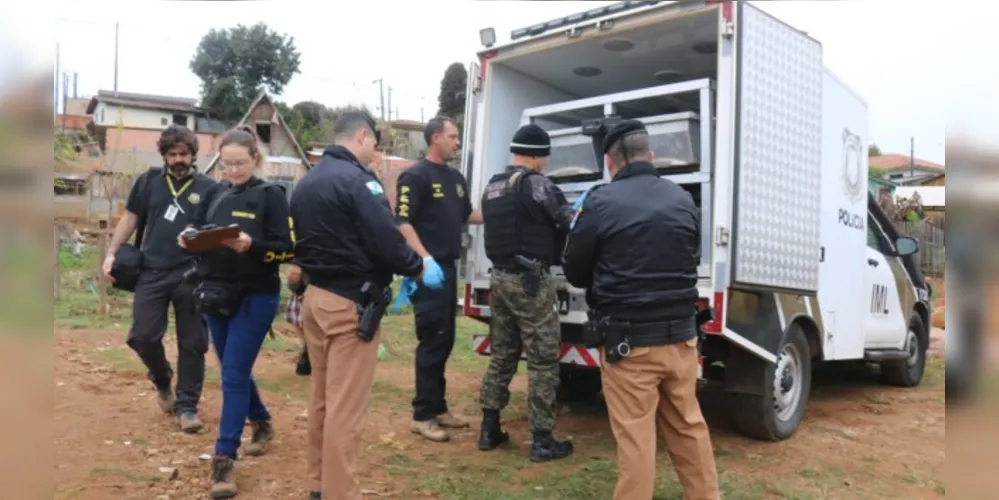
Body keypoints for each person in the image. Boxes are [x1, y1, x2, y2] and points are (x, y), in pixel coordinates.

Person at [562, 119, 720, 499]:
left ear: (609, 162)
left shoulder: (600, 202)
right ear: (651, 155)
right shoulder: (682, 198)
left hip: (629, 346)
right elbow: (691, 255)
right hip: (682, 341)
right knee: (689, 426)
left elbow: (575, 271)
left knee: (636, 437)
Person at [290, 111, 444, 500]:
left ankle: (318, 484)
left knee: (322, 400)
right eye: (374, 143)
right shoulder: (359, 183)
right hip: (349, 306)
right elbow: (386, 240)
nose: (375, 151)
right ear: (361, 136)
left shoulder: (307, 182)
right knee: (346, 409)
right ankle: (340, 493)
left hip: (316, 299)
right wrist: (417, 266)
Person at [174, 125, 294, 498]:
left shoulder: (271, 195)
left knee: (233, 374)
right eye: (226, 164)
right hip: (214, 295)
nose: (233, 171)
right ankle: (261, 421)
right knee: (233, 370)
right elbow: (198, 228)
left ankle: (223, 460)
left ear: (255, 160)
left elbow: (287, 250)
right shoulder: (215, 193)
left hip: (254, 297)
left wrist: (251, 246)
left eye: (240, 163)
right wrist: (188, 239)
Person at [101, 124, 216, 433]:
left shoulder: (209, 188)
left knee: (193, 343)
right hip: (151, 270)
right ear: (164, 155)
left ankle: (187, 406)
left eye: (184, 154)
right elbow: (131, 217)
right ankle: (163, 379)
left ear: (194, 154)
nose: (179, 159)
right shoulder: (149, 181)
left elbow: (216, 233)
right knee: (143, 335)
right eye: (172, 154)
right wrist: (111, 252)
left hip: (191, 274)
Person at [476, 124, 576, 461]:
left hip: (500, 279)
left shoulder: (493, 186)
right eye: (544, 156)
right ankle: (543, 441)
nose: (545, 162)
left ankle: (489, 429)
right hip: (531, 282)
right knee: (543, 360)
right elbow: (569, 221)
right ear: (535, 155)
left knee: (503, 355)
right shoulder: (537, 185)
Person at [395, 115, 482, 442]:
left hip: (448, 269)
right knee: (432, 340)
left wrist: (504, 208)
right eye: (453, 136)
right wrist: (424, 259)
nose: (457, 142)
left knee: (445, 339)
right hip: (427, 272)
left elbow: (466, 215)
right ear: (435, 139)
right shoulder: (414, 176)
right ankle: (422, 415)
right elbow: (401, 221)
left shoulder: (455, 177)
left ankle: (439, 407)